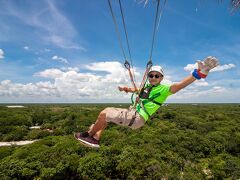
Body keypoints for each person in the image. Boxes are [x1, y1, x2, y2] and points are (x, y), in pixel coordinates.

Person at [74, 56, 218, 148]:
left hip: (137, 118)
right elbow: (138, 90)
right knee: (103, 119)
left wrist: (198, 74)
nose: (153, 77)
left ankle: (88, 136)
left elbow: (179, 85)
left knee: (104, 113)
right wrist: (126, 89)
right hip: (134, 114)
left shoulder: (163, 89)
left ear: (161, 78)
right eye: (151, 75)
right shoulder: (148, 87)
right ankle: (96, 136)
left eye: (156, 76)